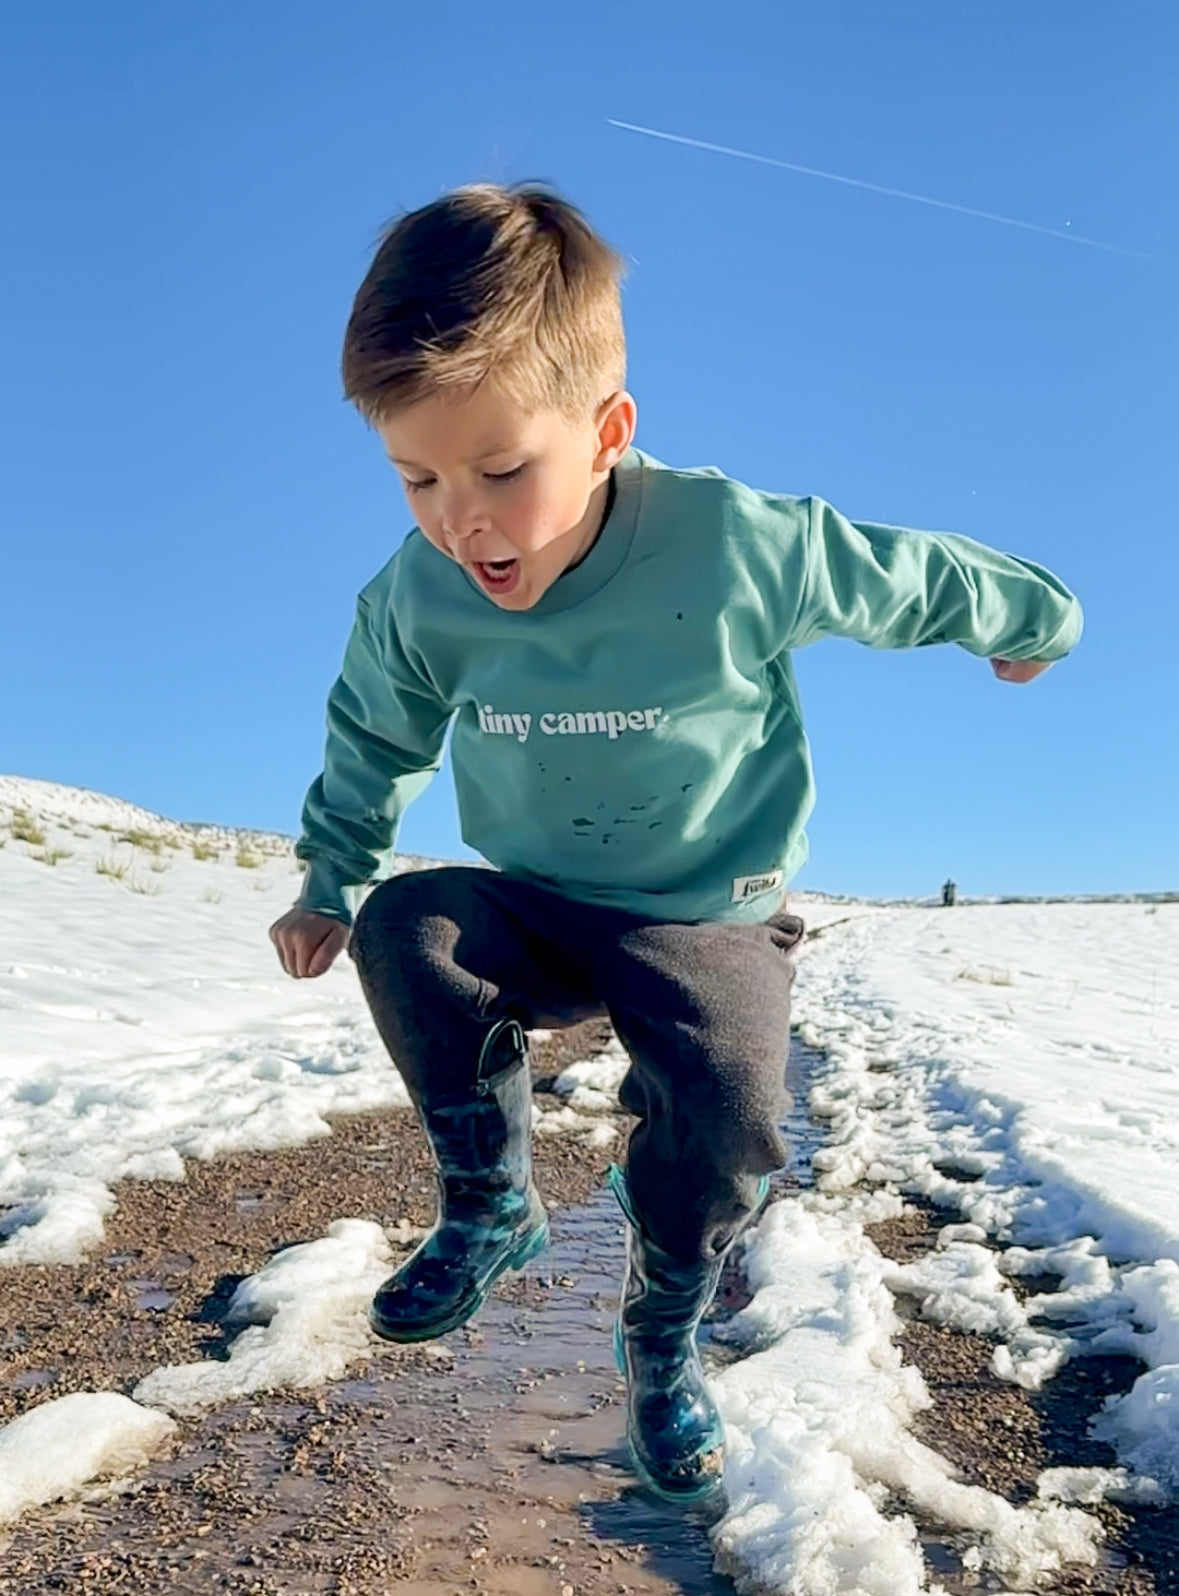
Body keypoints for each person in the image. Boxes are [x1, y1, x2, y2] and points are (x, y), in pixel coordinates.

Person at [269, 183, 1082, 1503]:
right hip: (533, 901)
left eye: (500, 471)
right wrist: (329, 877)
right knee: (406, 930)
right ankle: (490, 1202)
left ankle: (661, 1336)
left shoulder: (730, 545)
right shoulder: (416, 598)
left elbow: (903, 572)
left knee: (730, 1115)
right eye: (416, 477)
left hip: (705, 911)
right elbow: (372, 738)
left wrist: (1035, 616)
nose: (458, 516)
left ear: (607, 433)